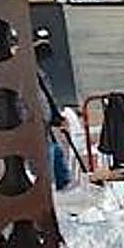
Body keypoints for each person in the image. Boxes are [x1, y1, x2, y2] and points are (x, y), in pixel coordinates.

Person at [34, 38, 73, 190]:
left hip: (46, 127)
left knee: (56, 155)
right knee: (47, 160)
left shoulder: (39, 73)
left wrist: (56, 116)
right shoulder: (23, 74)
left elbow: (47, 96)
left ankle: (63, 188)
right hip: (35, 128)